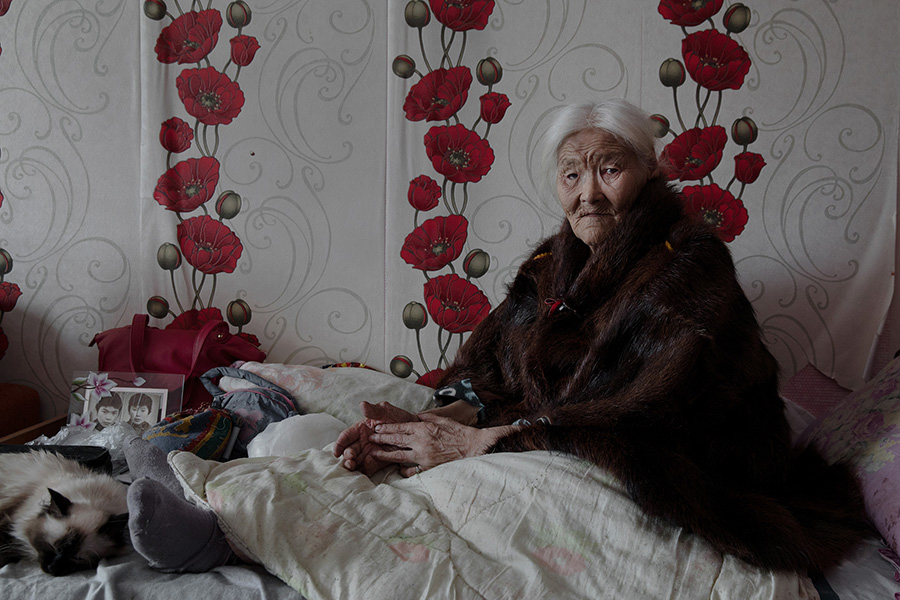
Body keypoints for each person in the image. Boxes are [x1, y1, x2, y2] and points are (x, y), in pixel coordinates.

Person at [126, 99, 869, 574]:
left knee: (449, 490)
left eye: (609, 168)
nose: (587, 191)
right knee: (361, 445)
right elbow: (491, 373)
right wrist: (437, 419)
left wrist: (490, 442)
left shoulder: (690, 262)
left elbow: (654, 409)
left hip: (686, 464)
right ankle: (206, 488)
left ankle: (215, 530)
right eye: (571, 172)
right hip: (558, 438)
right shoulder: (552, 264)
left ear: (647, 173)